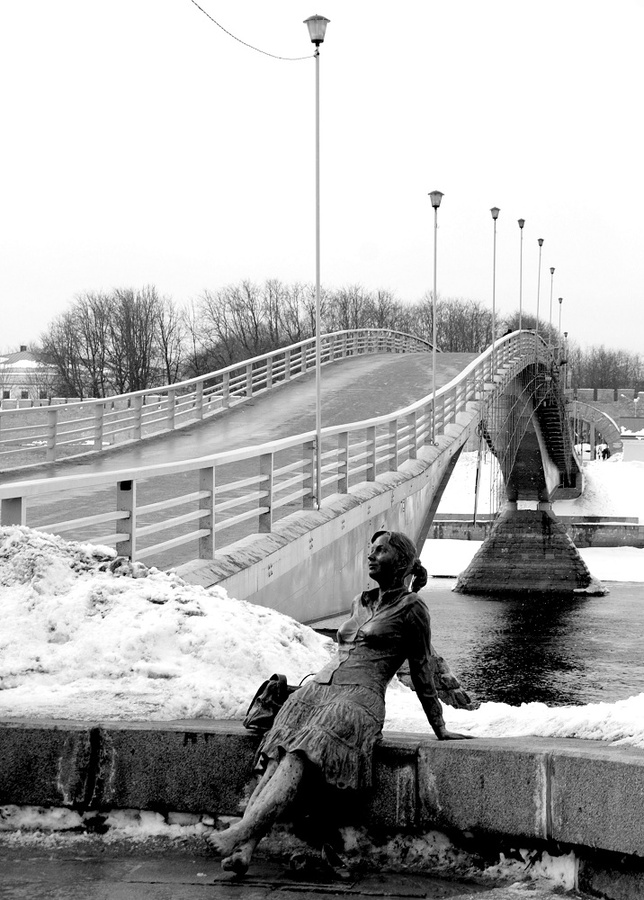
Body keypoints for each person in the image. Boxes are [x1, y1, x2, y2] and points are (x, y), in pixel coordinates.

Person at [207, 529, 470, 875]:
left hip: (358, 702)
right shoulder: (360, 602)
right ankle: (246, 850)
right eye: (370, 550)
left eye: (381, 551)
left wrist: (440, 726)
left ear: (403, 562)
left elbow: (423, 672)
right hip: (318, 691)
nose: (371, 555)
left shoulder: (413, 609)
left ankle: (242, 831)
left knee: (299, 755)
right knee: (276, 756)